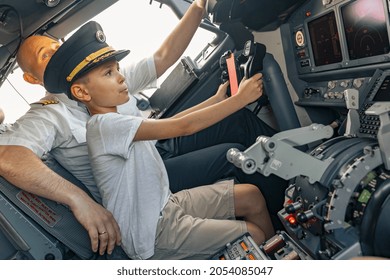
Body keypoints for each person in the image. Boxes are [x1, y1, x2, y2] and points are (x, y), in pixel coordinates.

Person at [0, 0, 286, 256]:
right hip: (147, 224)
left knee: (250, 195)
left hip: (160, 196)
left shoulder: (105, 92)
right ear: (30, 78)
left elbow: (160, 76)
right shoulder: (63, 116)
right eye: (44, 55)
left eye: (56, 44)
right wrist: (79, 201)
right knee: (253, 225)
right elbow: (182, 127)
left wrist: (198, 8)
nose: (120, 78)